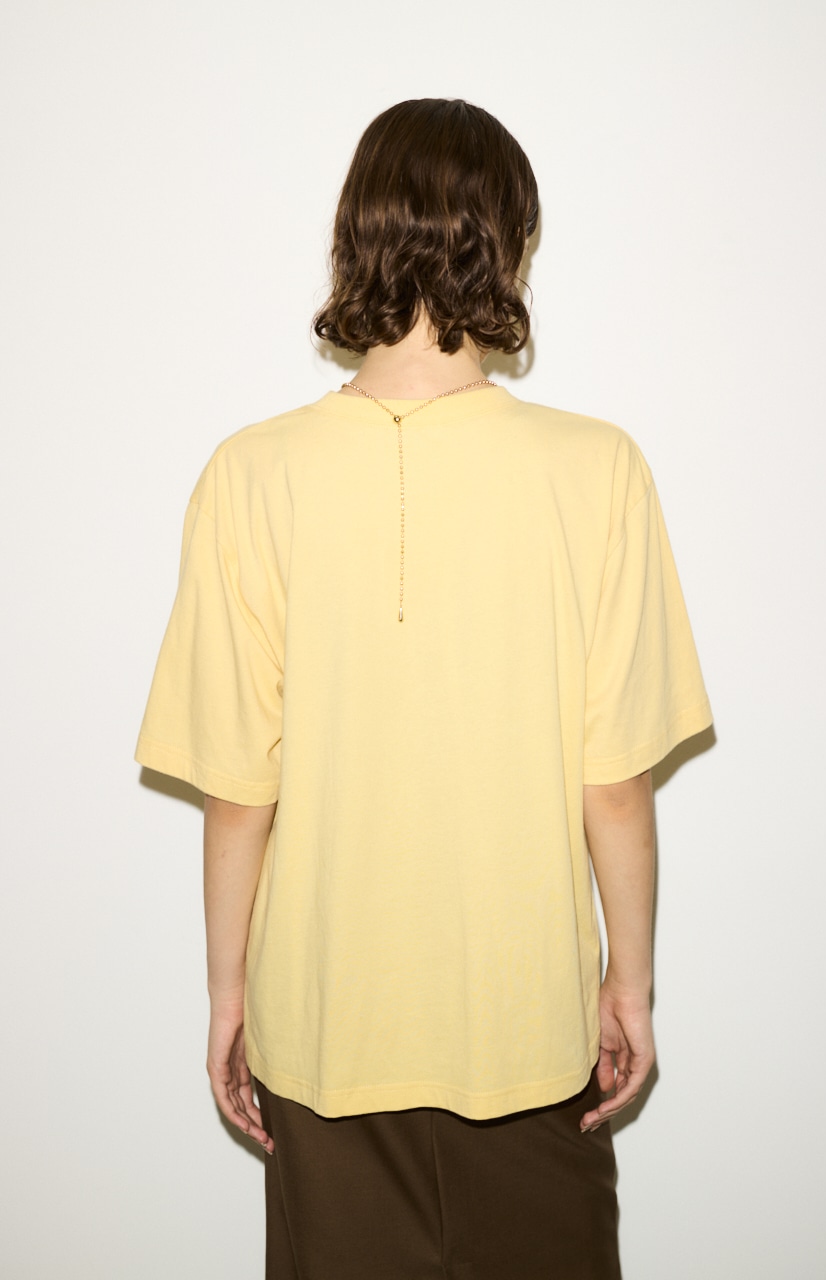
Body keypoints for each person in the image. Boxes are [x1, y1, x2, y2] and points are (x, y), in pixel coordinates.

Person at [136, 98, 712, 1279]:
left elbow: (240, 790)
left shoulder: (250, 474)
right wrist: (630, 984)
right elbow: (614, 782)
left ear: (356, 236)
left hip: (324, 1033)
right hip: (524, 1034)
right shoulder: (597, 469)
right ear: (508, 244)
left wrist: (230, 996)